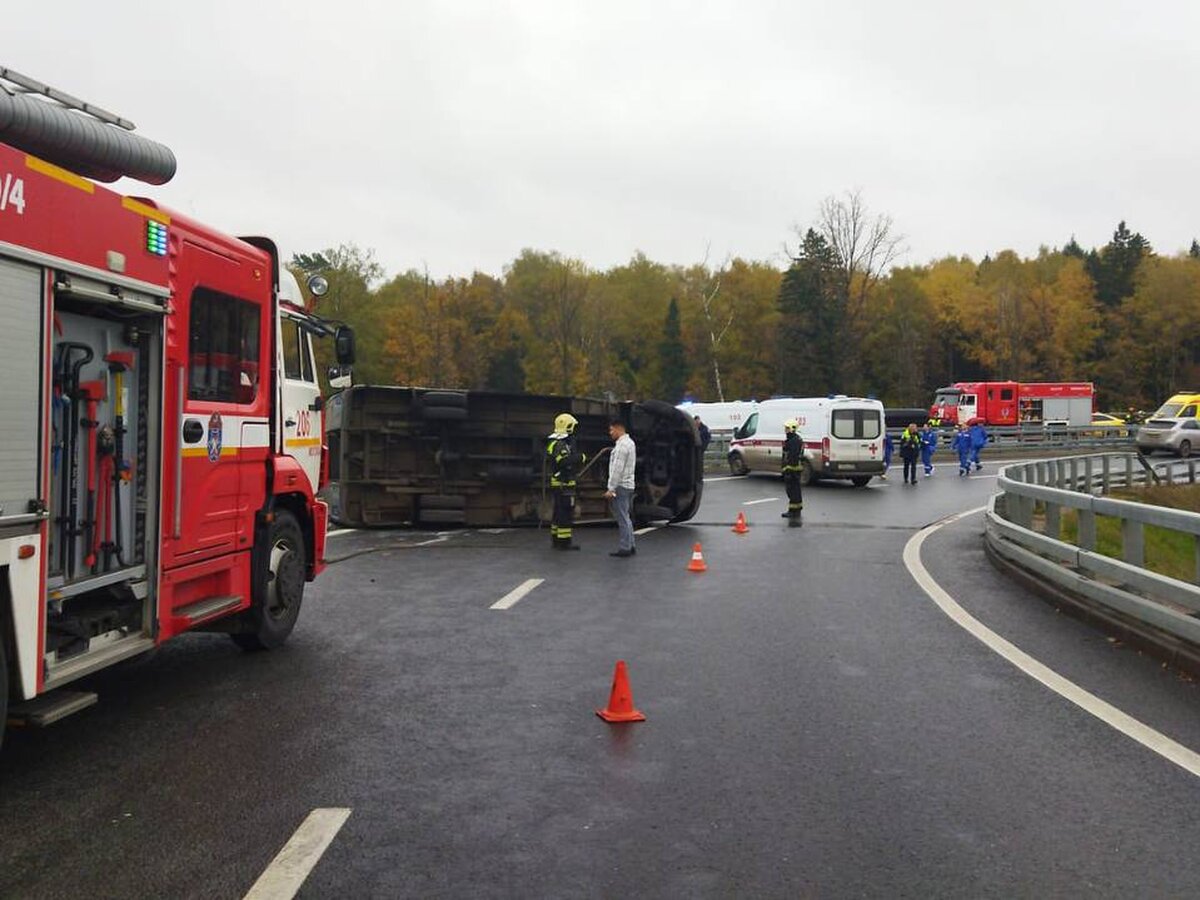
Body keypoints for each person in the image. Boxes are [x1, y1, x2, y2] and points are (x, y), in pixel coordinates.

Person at [546, 412, 585, 550]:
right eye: (572, 426)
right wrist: (580, 457)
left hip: (560, 482)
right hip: (563, 483)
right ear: (567, 427)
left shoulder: (555, 442)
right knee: (565, 513)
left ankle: (556, 540)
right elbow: (563, 461)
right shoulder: (559, 444)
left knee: (558, 512)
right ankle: (564, 542)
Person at [605, 418, 637, 557]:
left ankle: (625, 547)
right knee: (626, 516)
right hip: (628, 485)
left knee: (622, 518)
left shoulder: (621, 447)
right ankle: (631, 545)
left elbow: (617, 469)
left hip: (621, 486)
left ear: (618, 429)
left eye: (612, 430)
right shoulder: (630, 443)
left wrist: (611, 488)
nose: (610, 433)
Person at [780, 418, 804, 526]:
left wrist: (787, 469)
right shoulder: (795, 439)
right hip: (793, 468)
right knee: (795, 490)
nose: (785, 430)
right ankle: (795, 510)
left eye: (786, 428)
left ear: (792, 429)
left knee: (792, 490)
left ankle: (793, 511)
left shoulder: (794, 441)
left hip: (792, 469)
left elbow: (792, 457)